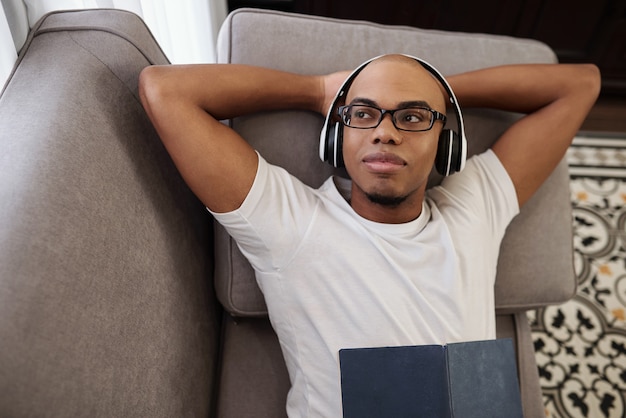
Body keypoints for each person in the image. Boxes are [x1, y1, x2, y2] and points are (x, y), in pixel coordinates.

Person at [139, 54, 600, 417]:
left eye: (414, 118)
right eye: (363, 113)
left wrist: (437, 91)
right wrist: (318, 90)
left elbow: (579, 85)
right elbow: (164, 89)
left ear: (447, 141)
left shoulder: (472, 208)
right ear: (336, 136)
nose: (385, 133)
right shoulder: (289, 221)